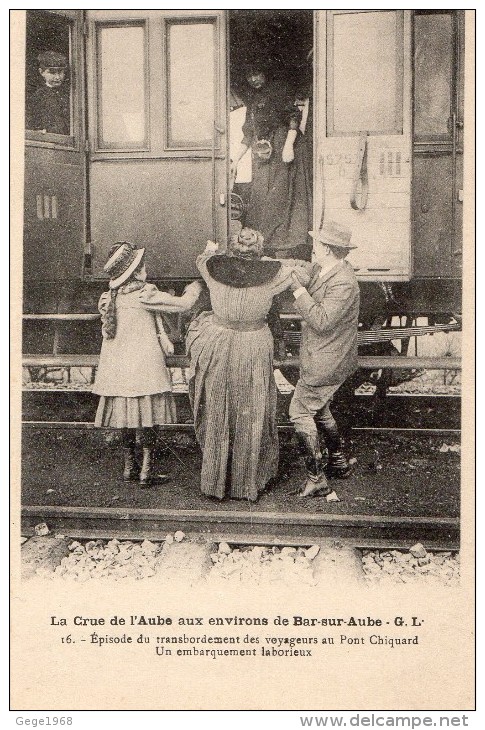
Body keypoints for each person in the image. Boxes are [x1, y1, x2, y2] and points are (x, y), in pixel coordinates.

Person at [186, 227, 310, 502]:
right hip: (254, 343)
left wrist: (211, 248)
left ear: (232, 248)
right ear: (259, 251)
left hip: (218, 341)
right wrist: (273, 262)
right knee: (252, 409)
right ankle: (246, 483)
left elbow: (201, 257)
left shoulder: (211, 266)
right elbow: (303, 272)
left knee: (218, 406)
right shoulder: (274, 273)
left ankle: (216, 482)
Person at [92, 242, 202, 486]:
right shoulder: (145, 294)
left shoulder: (109, 298)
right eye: (142, 266)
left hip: (119, 374)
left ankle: (129, 467)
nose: (146, 269)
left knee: (126, 421)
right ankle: (146, 470)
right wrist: (194, 287)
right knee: (148, 420)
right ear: (136, 272)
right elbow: (184, 304)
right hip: (144, 371)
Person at [288, 221, 360, 498]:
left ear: (328, 250)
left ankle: (316, 477)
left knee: (299, 412)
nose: (313, 247)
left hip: (328, 359)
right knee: (320, 408)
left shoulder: (343, 281)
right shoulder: (327, 268)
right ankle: (339, 462)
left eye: (317, 244)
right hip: (323, 355)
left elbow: (321, 321)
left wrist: (296, 291)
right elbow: (308, 275)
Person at [230, 66, 312, 257]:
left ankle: (288, 249)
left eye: (257, 73)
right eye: (249, 75)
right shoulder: (252, 99)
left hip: (285, 148)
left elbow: (294, 117)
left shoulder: (278, 90)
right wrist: (235, 160)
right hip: (265, 153)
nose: (254, 79)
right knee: (260, 198)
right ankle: (263, 248)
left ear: (265, 73)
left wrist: (289, 146)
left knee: (281, 199)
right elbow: (249, 134)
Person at [26, 51, 71, 135]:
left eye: (61, 72)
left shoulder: (70, 94)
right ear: (41, 72)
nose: (57, 77)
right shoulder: (37, 96)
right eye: (52, 72)